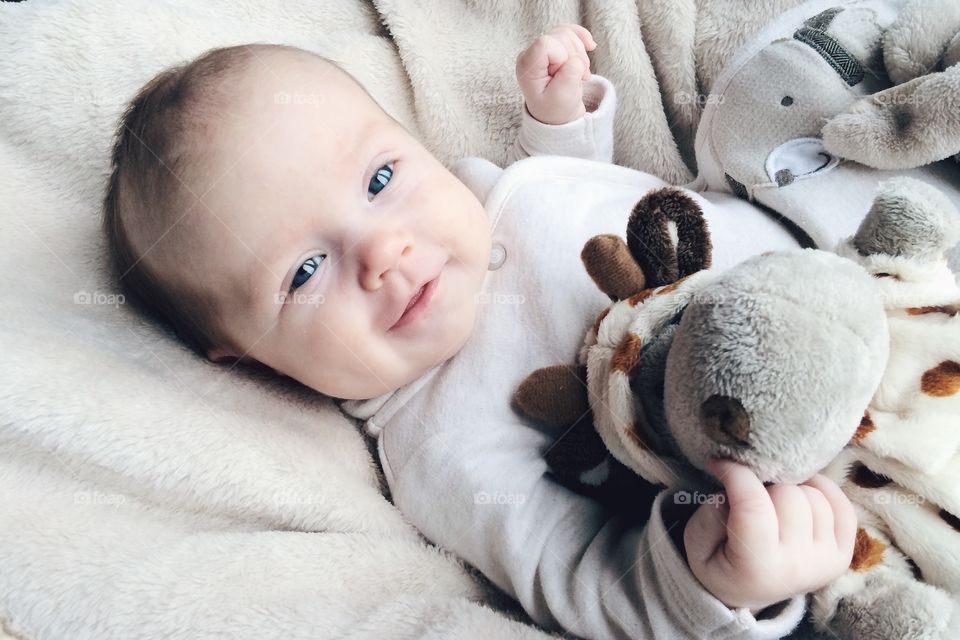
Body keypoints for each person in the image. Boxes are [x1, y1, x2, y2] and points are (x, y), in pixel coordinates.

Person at [102, 25, 856, 639]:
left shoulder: (473, 193)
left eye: (378, 181)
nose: (383, 253)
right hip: (841, 442)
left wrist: (561, 127)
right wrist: (710, 581)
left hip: (846, 243)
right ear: (242, 357)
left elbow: (569, 207)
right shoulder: (440, 446)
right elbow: (578, 572)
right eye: (303, 273)